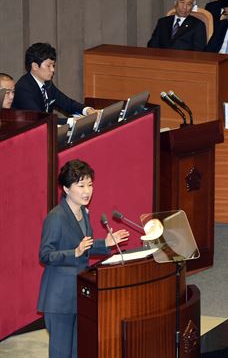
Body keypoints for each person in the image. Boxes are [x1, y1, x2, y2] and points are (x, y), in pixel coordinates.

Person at [38, 159, 129, 358]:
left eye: (90, 184)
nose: (87, 191)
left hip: (80, 293)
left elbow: (83, 245)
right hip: (60, 298)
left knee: (78, 351)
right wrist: (75, 253)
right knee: (61, 353)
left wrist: (104, 244)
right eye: (81, 185)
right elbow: (45, 254)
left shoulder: (82, 213)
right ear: (66, 188)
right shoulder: (56, 217)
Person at [13, 43, 95, 121]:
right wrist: (72, 121)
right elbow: (40, 119)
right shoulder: (23, 89)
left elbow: (67, 103)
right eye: (48, 66)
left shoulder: (47, 84)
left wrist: (87, 110)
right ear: (35, 66)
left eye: (53, 65)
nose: (53, 70)